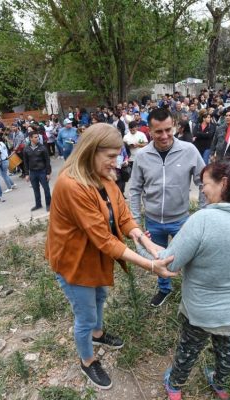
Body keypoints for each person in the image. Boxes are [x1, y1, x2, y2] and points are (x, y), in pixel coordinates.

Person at [45, 123, 175, 390]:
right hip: (74, 262)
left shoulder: (103, 176)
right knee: (85, 315)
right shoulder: (71, 184)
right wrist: (150, 265)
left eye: (118, 155)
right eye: (111, 156)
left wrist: (149, 244)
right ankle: (87, 360)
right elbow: (103, 238)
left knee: (100, 297)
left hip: (96, 257)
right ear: (91, 151)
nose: (117, 162)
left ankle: (98, 334)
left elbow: (123, 215)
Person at [133, 158, 230, 399]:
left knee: (189, 347)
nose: (202, 190)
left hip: (205, 309)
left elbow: (168, 263)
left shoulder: (204, 220)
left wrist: (141, 242)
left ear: (223, 183)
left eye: (205, 184)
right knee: (226, 345)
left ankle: (175, 386)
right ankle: (221, 384)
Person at [129, 108, 205, 307]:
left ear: (175, 127)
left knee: (192, 259)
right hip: (152, 221)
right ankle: (164, 288)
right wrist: (135, 222)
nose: (164, 136)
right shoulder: (142, 156)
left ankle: (192, 291)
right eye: (158, 131)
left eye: (168, 130)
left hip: (181, 221)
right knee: (158, 259)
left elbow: (204, 182)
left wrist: (203, 213)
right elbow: (135, 189)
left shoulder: (189, 150)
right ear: (149, 131)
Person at [22, 131, 52, 212]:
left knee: (46, 189)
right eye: (35, 137)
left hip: (42, 171)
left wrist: (48, 173)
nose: (37, 138)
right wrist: (27, 174)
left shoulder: (43, 148)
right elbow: (25, 162)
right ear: (30, 138)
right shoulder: (26, 149)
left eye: (38, 137)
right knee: (35, 189)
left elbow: (47, 161)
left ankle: (49, 204)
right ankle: (38, 205)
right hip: (33, 173)